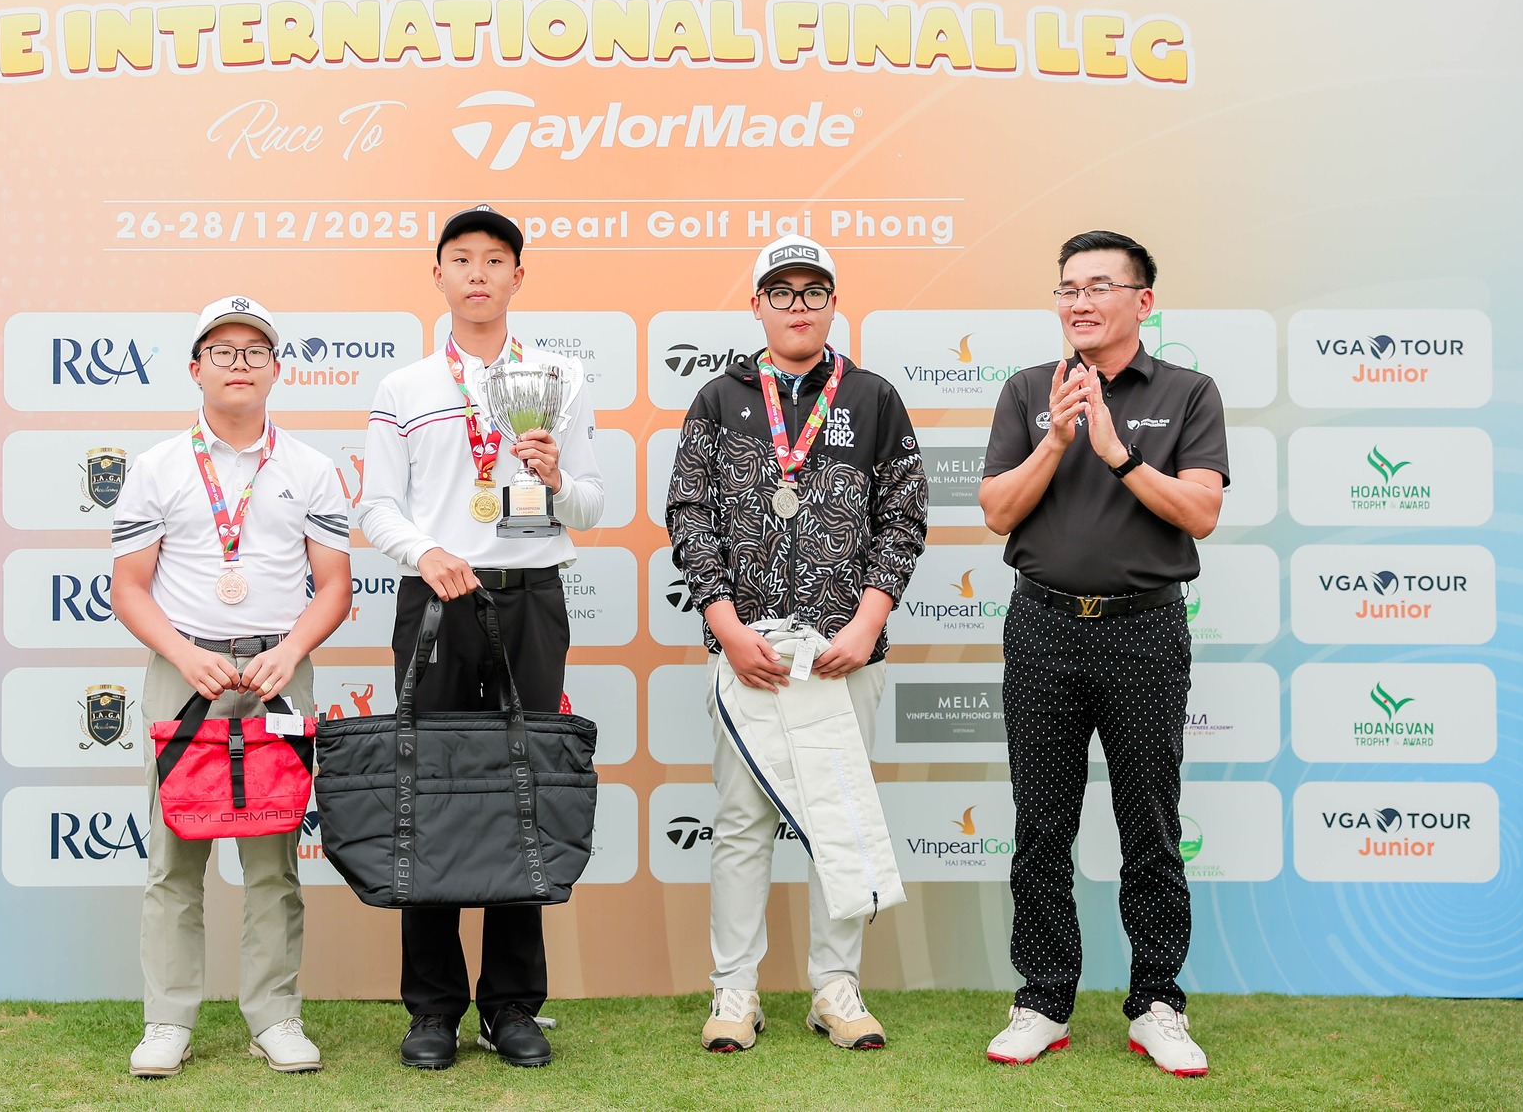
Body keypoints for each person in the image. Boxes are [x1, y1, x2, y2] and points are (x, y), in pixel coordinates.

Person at [665, 235, 928, 1054]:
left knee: (838, 818)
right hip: (748, 653)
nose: (799, 306)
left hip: (843, 652)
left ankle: (835, 988)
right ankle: (734, 990)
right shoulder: (719, 399)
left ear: (834, 303)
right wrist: (727, 629)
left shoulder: (874, 398)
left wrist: (866, 623)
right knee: (742, 823)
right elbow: (689, 515)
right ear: (757, 305)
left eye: (814, 291)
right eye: (781, 292)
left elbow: (904, 517)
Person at [357, 205, 605, 1070]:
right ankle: (432, 1008)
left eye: (495, 260)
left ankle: (510, 1005)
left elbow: (592, 507)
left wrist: (557, 476)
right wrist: (424, 551)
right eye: (460, 259)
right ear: (438, 275)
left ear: (517, 277)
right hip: (435, 598)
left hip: (528, 597)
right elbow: (375, 505)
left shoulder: (560, 377)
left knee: (521, 791)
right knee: (424, 793)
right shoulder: (404, 387)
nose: (477, 273)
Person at [977, 231, 1227, 1077]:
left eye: (1098, 286)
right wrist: (1056, 437)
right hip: (1042, 626)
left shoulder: (1188, 392)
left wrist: (1118, 453)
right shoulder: (1026, 390)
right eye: (1067, 288)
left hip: (1144, 631)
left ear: (1142, 301)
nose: (1078, 302)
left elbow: (1200, 512)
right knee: (1040, 825)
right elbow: (997, 511)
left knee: (1150, 825)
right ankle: (1044, 999)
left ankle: (1157, 1001)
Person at [109, 295, 354, 1077]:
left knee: (274, 859)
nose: (239, 363)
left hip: (278, 676)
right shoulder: (157, 466)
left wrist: (293, 648)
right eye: (223, 350)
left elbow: (334, 585)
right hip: (184, 674)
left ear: (277, 369)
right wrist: (184, 654)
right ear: (196, 368)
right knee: (174, 858)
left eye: (255, 351)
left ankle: (274, 1017)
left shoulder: (311, 467)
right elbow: (128, 588)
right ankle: (167, 1020)